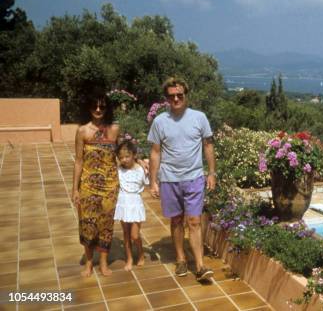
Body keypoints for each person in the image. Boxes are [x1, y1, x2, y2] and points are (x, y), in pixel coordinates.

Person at [147, 77, 217, 282]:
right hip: (169, 179)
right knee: (177, 220)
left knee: (194, 221)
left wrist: (212, 173)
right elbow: (155, 152)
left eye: (179, 95)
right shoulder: (160, 121)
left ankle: (200, 265)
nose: (176, 98)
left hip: (194, 177)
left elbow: (208, 146)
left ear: (186, 95)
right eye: (171, 96)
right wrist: (153, 181)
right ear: (166, 98)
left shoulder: (199, 118)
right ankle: (180, 259)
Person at [72, 90, 120, 277]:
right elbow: (78, 160)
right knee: (88, 224)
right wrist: (74, 189)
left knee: (106, 224)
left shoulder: (114, 129)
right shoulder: (82, 131)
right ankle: (89, 264)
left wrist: (139, 161)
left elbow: (121, 153)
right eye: (94, 106)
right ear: (89, 108)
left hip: (110, 185)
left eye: (102, 106)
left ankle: (103, 263)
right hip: (88, 186)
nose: (98, 109)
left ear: (107, 108)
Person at [114, 140, 148, 271]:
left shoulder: (141, 170)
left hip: (135, 204)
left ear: (134, 155)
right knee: (126, 234)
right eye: (121, 157)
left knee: (134, 235)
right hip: (123, 203)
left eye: (127, 156)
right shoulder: (118, 170)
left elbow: (148, 182)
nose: (124, 160)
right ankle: (129, 258)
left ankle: (140, 252)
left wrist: (141, 161)